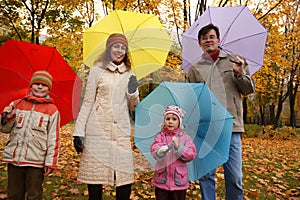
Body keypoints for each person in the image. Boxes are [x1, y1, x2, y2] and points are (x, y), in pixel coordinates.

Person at [187, 23, 255, 200]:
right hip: (207, 127)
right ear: (199, 43)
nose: (208, 40)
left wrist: (240, 73)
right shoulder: (195, 69)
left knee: (234, 176)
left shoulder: (235, 60)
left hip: (231, 126)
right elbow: (193, 99)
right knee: (206, 175)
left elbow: (248, 90)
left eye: (211, 37)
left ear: (218, 39)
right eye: (204, 38)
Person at [72, 33, 140, 200]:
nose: (119, 50)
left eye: (123, 47)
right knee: (95, 176)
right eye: (116, 46)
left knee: (124, 177)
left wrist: (133, 91)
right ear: (109, 49)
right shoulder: (96, 71)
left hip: (120, 131)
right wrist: (78, 131)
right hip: (97, 130)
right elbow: (88, 102)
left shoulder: (130, 73)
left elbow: (134, 106)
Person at [0, 71, 60, 199]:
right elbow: (5, 129)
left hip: (36, 161)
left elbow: (53, 138)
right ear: (31, 86)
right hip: (14, 158)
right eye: (36, 84)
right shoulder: (17, 104)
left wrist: (51, 162)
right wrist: (6, 119)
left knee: (34, 194)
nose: (39, 87)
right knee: (14, 194)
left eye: (44, 85)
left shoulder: (52, 110)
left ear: (49, 89)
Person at [150, 105, 197, 200]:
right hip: (162, 180)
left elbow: (191, 154)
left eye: (174, 119)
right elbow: (154, 148)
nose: (170, 121)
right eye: (167, 119)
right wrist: (161, 150)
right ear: (164, 121)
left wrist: (178, 147)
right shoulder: (161, 136)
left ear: (179, 122)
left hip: (178, 181)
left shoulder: (184, 137)